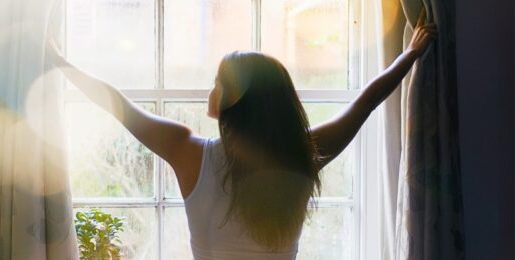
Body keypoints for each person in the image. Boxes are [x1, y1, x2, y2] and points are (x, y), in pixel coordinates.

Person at [47, 15, 437, 260]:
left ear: (234, 100)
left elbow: (119, 106)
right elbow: (364, 103)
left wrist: (62, 63)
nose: (210, 87)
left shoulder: (188, 153)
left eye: (217, 81)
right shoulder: (302, 156)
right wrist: (410, 54)